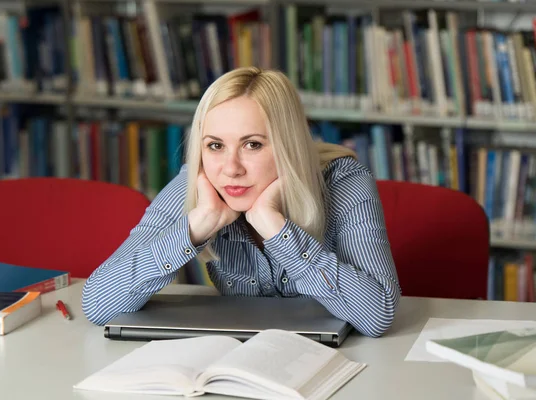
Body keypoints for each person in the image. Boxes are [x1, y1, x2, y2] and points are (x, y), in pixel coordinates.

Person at [82, 67, 401, 338]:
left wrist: (276, 228)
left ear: (288, 146)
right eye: (216, 145)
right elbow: (98, 303)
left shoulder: (345, 180)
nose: (231, 168)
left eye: (252, 144)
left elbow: (377, 316)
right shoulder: (200, 182)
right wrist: (195, 228)